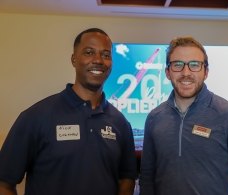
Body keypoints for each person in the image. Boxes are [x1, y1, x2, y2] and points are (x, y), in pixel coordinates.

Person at [0, 28, 137, 195]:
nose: (98, 60)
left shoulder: (121, 123)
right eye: (89, 52)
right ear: (74, 59)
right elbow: (4, 183)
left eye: (106, 55)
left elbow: (127, 179)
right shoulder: (35, 116)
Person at [139, 36, 228, 195]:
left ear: (205, 72)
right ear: (167, 72)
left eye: (194, 65)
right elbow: (147, 178)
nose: (186, 72)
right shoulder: (154, 118)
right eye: (177, 65)